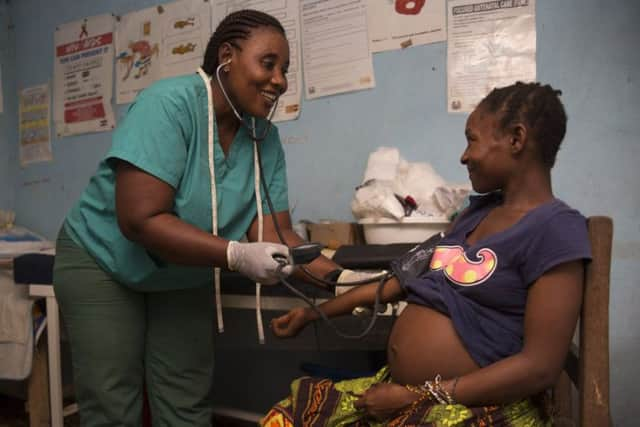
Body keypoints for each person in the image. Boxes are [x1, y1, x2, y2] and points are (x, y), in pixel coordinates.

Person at [53, 9, 343, 426]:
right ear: (226, 55)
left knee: (185, 399)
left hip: (182, 271)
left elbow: (274, 234)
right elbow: (139, 219)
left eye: (284, 69)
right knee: (113, 403)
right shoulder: (169, 104)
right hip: (103, 262)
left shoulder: (264, 137)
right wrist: (238, 255)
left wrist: (342, 281)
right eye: (268, 63)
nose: (279, 80)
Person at [264, 82, 592, 426]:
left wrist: (415, 396)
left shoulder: (555, 229)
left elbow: (539, 368)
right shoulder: (473, 215)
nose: (464, 156)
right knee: (287, 416)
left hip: (474, 407)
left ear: (516, 139)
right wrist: (313, 315)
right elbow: (394, 284)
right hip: (404, 392)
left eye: (472, 140)